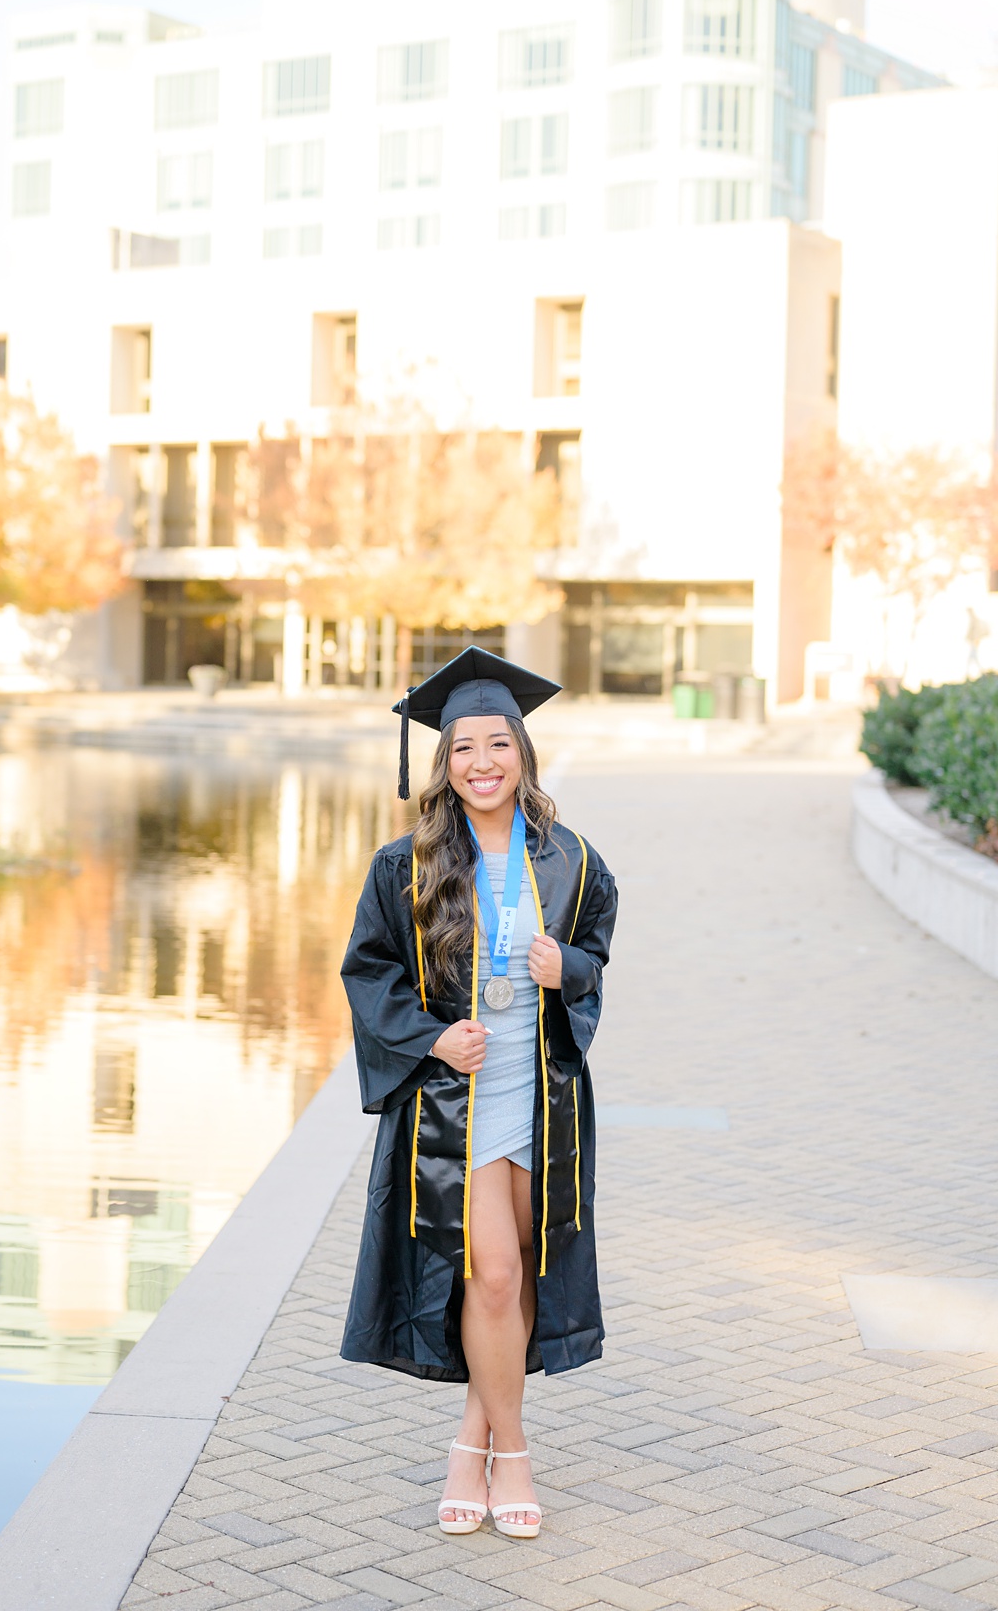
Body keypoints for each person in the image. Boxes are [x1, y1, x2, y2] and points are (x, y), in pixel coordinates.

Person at [339, 648, 619, 1541]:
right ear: (442, 762)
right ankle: (513, 1455)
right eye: (465, 748)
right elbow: (369, 971)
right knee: (491, 1276)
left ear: (524, 756)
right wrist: (429, 1038)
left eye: (500, 744)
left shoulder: (573, 860)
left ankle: (473, 1434)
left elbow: (599, 956)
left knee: (530, 1261)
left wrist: (564, 966)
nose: (483, 763)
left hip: (542, 1092)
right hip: (460, 1100)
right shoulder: (406, 867)